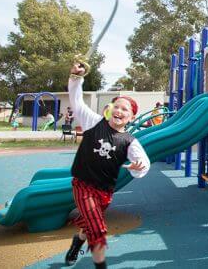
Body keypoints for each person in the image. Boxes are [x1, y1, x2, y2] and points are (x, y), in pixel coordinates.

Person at [64, 62, 150, 268]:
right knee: (98, 228)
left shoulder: (130, 141)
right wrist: (76, 79)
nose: (119, 110)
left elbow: (144, 162)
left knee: (89, 225)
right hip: (83, 185)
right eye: (116, 106)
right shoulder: (93, 122)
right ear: (110, 110)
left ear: (131, 117)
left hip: (105, 191)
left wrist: (139, 167)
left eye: (125, 109)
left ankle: (77, 242)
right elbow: (77, 102)